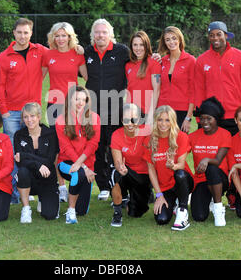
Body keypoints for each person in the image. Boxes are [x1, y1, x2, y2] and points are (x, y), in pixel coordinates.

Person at [0, 17, 48, 204]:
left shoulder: (39, 51)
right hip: (12, 113)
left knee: (33, 151)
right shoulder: (4, 57)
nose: (23, 36)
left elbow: (59, 55)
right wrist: (4, 111)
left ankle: (31, 189)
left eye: (26, 32)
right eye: (19, 32)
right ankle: (13, 194)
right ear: (14, 33)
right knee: (11, 153)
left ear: (31, 33)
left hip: (32, 112)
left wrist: (79, 49)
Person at [84, 18, 129, 201]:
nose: (100, 35)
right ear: (93, 35)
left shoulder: (121, 51)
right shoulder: (87, 52)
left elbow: (141, 57)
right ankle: (103, 186)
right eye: (97, 32)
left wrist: (156, 56)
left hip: (116, 107)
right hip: (94, 109)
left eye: (104, 32)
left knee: (116, 147)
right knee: (97, 147)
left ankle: (119, 183)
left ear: (110, 34)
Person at [42, 22, 87, 203]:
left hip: (74, 107)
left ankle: (78, 180)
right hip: (54, 106)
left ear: (70, 36)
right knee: (57, 146)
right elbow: (38, 78)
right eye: (57, 35)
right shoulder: (48, 54)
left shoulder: (77, 54)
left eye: (64, 35)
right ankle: (61, 186)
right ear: (53, 37)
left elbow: (88, 77)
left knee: (74, 144)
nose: (60, 39)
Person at [194, 21, 241, 136]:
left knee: (235, 153)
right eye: (212, 35)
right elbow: (199, 90)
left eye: (219, 34)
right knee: (212, 154)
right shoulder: (202, 60)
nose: (215, 38)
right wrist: (200, 117)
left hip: (235, 116)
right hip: (211, 117)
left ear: (226, 35)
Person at [143, 105, 194, 230]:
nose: (163, 124)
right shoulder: (149, 140)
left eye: (167, 120)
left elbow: (181, 165)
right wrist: (159, 195)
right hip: (165, 187)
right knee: (162, 219)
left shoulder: (181, 136)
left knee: (179, 174)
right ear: (156, 121)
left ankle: (182, 209)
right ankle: (176, 202)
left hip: (182, 181)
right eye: (160, 120)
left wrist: (173, 166)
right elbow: (151, 170)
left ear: (172, 121)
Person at [55, 85, 101, 224]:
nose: (80, 103)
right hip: (66, 162)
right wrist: (83, 167)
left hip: (86, 162)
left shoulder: (94, 118)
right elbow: (66, 147)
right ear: (70, 101)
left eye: (83, 99)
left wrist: (84, 165)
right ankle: (70, 210)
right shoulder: (61, 120)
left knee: (83, 211)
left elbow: (93, 144)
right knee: (78, 173)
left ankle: (75, 207)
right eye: (76, 99)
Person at [14, 102, 60, 223]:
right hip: (29, 178)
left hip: (47, 177)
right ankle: (26, 208)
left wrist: (25, 155)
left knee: (50, 215)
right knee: (22, 172)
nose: (29, 120)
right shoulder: (19, 135)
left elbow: (49, 161)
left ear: (39, 117)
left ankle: (43, 199)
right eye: (26, 117)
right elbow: (20, 163)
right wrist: (38, 165)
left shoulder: (50, 134)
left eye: (32, 116)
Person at [189, 97, 232, 226]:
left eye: (209, 118)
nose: (205, 122)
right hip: (201, 179)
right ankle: (208, 199)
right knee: (199, 216)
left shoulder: (225, 134)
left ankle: (218, 208)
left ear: (216, 119)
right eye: (202, 118)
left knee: (212, 168)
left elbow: (218, 161)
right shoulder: (193, 136)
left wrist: (206, 159)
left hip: (220, 179)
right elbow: (180, 153)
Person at [109, 103, 152, 227]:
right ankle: (117, 212)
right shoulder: (116, 135)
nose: (130, 123)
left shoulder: (147, 132)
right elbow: (117, 161)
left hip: (142, 176)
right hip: (125, 171)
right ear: (122, 120)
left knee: (135, 213)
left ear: (139, 119)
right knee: (115, 174)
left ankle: (135, 197)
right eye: (126, 120)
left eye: (134, 119)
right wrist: (120, 167)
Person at [156, 26, 196, 132]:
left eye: (174, 38)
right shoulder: (162, 61)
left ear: (179, 39)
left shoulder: (190, 60)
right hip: (162, 110)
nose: (171, 42)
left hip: (181, 111)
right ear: (164, 42)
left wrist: (188, 117)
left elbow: (193, 91)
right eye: (167, 39)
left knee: (180, 146)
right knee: (162, 145)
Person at [125, 30, 161, 124]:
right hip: (131, 112)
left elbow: (156, 89)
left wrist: (151, 114)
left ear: (147, 45)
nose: (138, 48)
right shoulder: (128, 65)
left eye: (141, 45)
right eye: (135, 45)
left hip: (146, 113)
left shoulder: (154, 62)